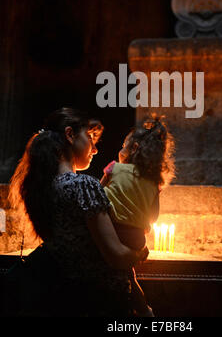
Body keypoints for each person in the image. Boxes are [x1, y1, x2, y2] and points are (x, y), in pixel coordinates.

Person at [7, 107, 148, 317]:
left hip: (68, 300)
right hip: (102, 302)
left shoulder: (44, 188)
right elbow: (117, 256)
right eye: (90, 137)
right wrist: (141, 252)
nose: (95, 149)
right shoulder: (82, 185)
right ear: (70, 135)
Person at [100, 114, 175, 317]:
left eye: (124, 145)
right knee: (129, 276)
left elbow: (96, 197)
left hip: (111, 232)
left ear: (133, 149)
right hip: (135, 238)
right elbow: (154, 215)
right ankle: (145, 311)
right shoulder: (154, 182)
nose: (120, 149)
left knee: (117, 274)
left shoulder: (113, 168)